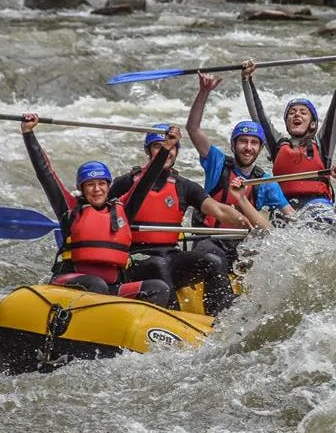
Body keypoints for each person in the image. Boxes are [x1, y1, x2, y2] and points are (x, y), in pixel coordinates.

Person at [108, 124, 265, 316]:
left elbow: (219, 210)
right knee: (159, 265)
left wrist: (243, 221)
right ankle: (173, 317)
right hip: (137, 259)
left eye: (172, 147)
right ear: (148, 151)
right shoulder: (125, 183)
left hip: (170, 256)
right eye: (159, 146)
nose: (167, 152)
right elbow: (101, 212)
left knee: (212, 261)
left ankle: (220, 317)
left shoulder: (184, 186)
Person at [20, 114, 174, 308]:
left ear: (108, 187)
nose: (97, 189)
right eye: (90, 184)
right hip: (73, 283)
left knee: (159, 288)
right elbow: (45, 173)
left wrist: (166, 147)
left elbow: (146, 178)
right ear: (82, 188)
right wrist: (28, 133)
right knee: (96, 284)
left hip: (111, 288)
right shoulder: (70, 208)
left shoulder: (123, 208)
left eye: (102, 184)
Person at [185, 72, 291, 265]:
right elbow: (193, 129)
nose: (248, 147)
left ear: (260, 148)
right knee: (212, 257)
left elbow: (284, 222)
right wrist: (204, 92)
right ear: (234, 145)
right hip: (208, 240)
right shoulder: (217, 163)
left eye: (254, 143)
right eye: (243, 141)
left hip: (242, 244)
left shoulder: (265, 182)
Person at [241, 50, 336, 209]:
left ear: (313, 123)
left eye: (303, 112)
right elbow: (257, 113)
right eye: (291, 112)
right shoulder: (276, 144)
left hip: (318, 207)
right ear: (287, 122)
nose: (296, 114)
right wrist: (246, 79)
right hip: (284, 208)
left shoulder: (322, 143)